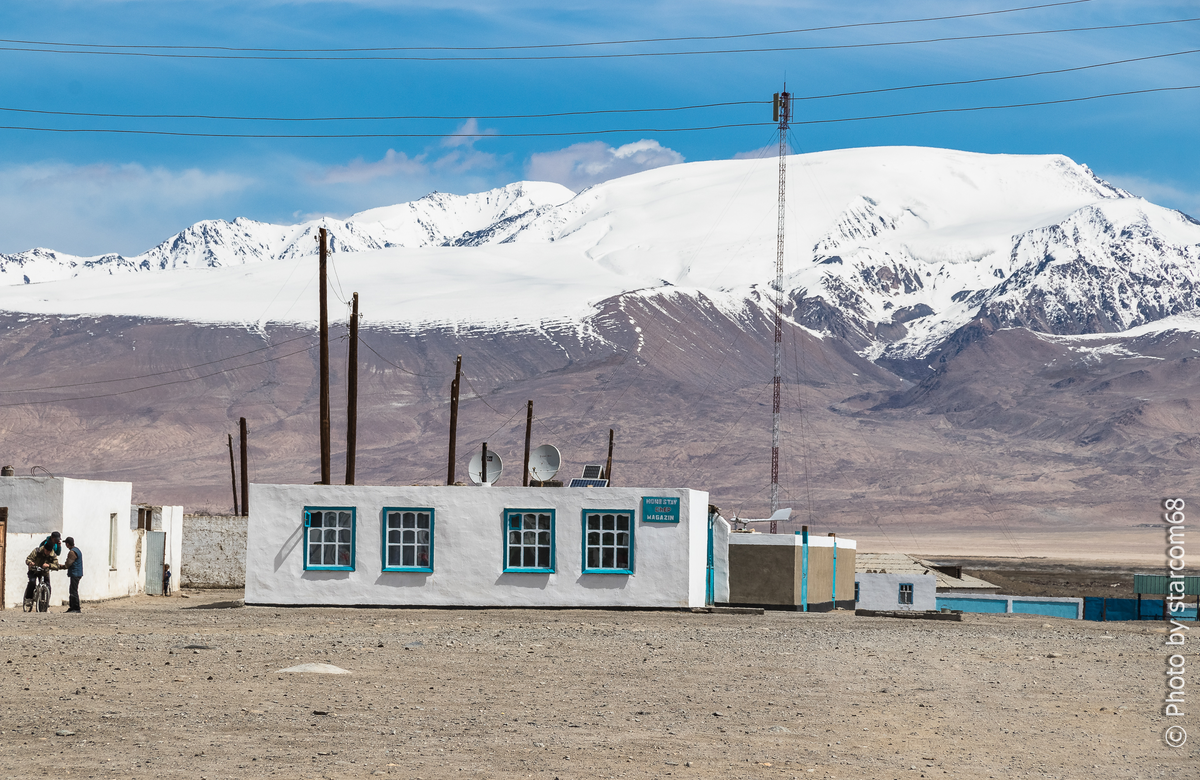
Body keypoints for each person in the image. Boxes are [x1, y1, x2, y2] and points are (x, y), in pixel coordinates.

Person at [24, 532, 62, 609]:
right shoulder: (37, 551)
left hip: (44, 571)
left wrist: (49, 565)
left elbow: (56, 565)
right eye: (46, 551)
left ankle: (46, 602)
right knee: (32, 582)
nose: (47, 553)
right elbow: (28, 558)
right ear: (44, 548)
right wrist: (30, 563)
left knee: (48, 585)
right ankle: (28, 598)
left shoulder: (52, 554)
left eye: (49, 551)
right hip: (34, 570)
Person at [63, 536, 83, 613]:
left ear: (67, 544)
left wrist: (62, 566)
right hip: (77, 573)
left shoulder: (72, 552)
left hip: (75, 573)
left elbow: (68, 563)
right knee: (72, 589)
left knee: (73, 590)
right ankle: (72, 607)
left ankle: (76, 607)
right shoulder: (77, 550)